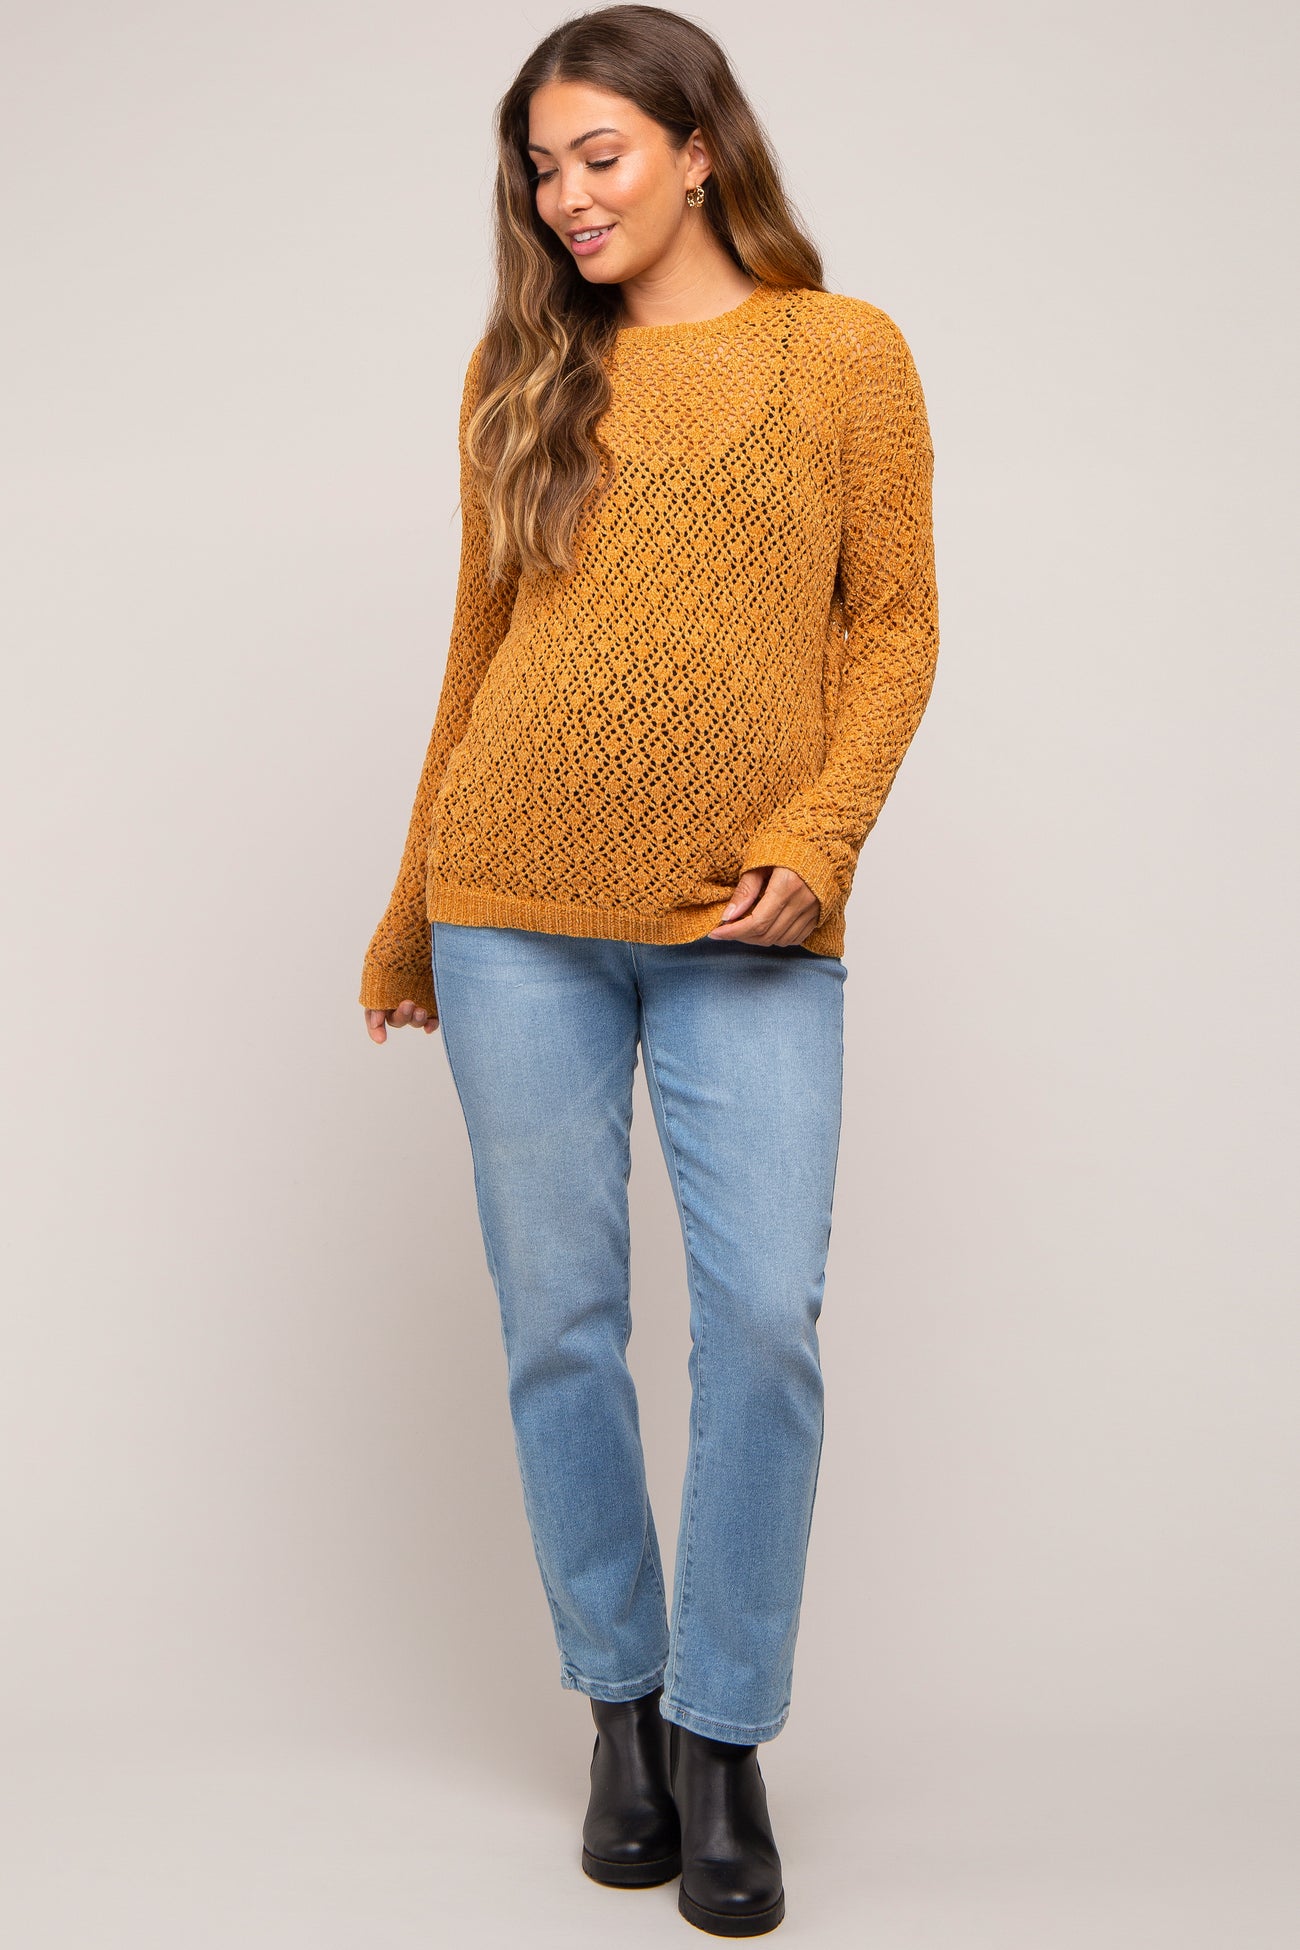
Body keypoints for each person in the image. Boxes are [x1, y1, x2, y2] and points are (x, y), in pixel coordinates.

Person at [359, 5, 939, 1936]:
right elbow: (476, 647)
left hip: (741, 921)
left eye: (598, 153)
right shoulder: (524, 367)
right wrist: (411, 906)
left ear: (700, 146)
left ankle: (723, 1734)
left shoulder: (841, 353)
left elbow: (895, 627)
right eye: (541, 166)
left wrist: (822, 836)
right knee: (560, 1322)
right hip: (508, 906)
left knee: (762, 1319)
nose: (566, 195)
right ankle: (618, 1709)